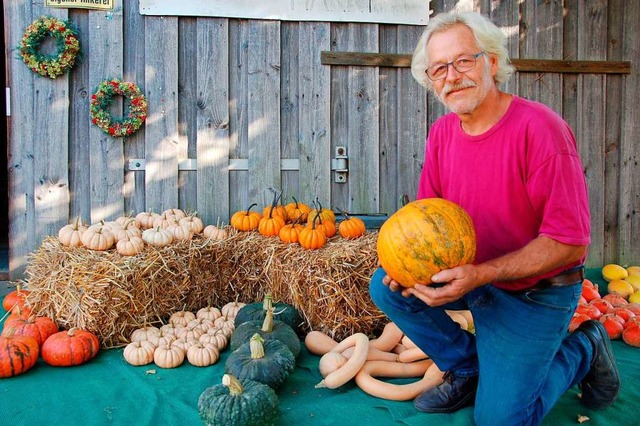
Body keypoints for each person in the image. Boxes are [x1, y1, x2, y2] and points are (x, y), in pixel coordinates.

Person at [369, 11, 620, 425]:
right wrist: (408, 268)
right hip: (475, 278)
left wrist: (482, 274)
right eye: (439, 69)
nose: (452, 76)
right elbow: (426, 220)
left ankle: (584, 347)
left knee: (500, 421)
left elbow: (570, 241)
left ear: (493, 63)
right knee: (387, 286)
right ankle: (468, 367)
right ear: (431, 81)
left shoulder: (540, 130)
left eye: (464, 60)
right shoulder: (443, 134)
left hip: (535, 292)